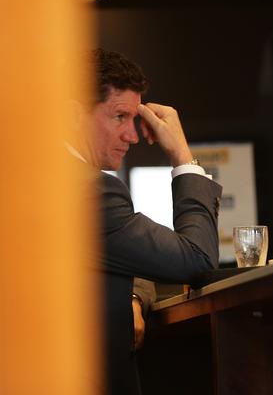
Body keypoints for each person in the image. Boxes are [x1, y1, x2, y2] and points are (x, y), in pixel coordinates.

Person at [67, 49, 221, 394]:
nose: (133, 136)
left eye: (135, 119)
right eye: (120, 116)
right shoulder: (89, 192)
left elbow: (119, 254)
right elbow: (197, 258)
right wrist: (182, 155)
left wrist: (134, 295)